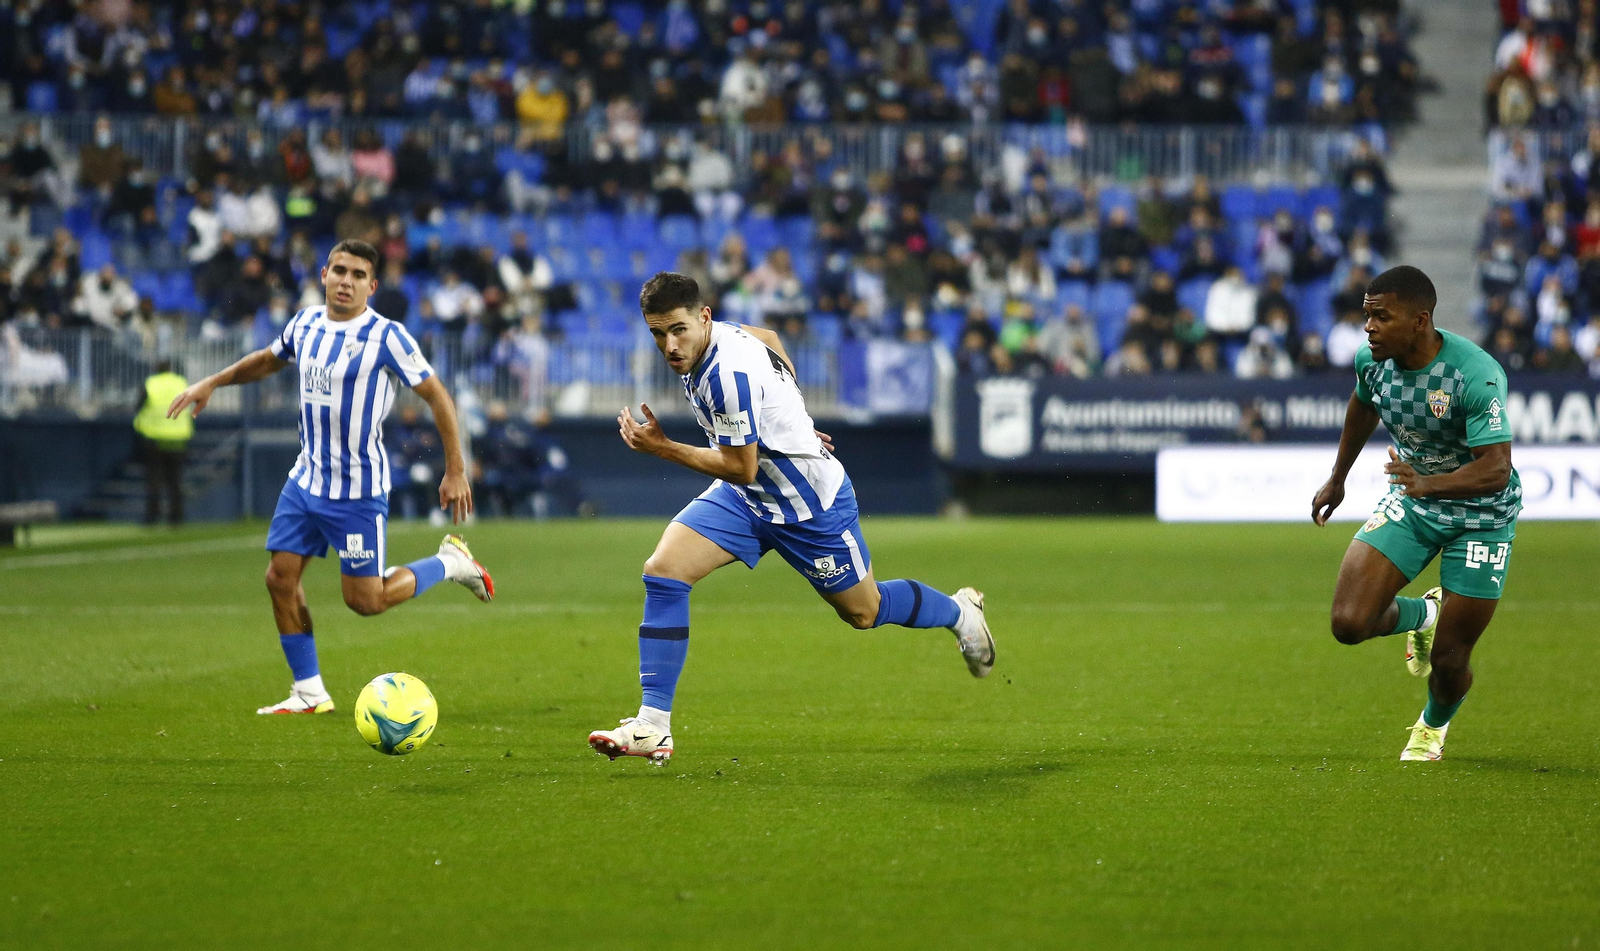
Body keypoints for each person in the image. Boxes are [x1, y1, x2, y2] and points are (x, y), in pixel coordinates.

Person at [588, 273, 998, 765]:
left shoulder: (726, 376)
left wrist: (662, 447)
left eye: (677, 330)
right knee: (664, 571)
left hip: (808, 509)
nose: (669, 346)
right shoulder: (727, 336)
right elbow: (772, 340)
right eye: (657, 333)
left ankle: (959, 613)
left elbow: (738, 464)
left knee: (863, 612)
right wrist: (792, 417)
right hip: (748, 498)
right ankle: (653, 725)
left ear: (703, 318)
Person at [165, 240, 497, 716]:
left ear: (372, 285)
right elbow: (267, 359)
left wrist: (456, 468)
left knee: (365, 602)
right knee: (280, 579)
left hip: (357, 491)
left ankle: (450, 563)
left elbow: (438, 397)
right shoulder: (304, 323)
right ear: (324, 274)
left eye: (358, 275)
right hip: (306, 480)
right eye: (339, 270)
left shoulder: (388, 337)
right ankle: (308, 692)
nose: (346, 280)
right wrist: (212, 381)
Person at [1311, 266, 1521, 762]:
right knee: (1348, 623)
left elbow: (1496, 468)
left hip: (1482, 515)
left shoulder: (1475, 374)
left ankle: (1431, 727)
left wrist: (1429, 483)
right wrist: (1338, 476)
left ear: (1420, 320)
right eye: (1367, 316)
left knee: (1450, 661)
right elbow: (1363, 405)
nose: (1369, 327)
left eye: (1381, 316)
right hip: (1414, 500)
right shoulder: (1373, 361)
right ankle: (1425, 613)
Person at [133, 361, 193, 526]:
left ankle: (152, 516)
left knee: (154, 480)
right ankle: (177, 517)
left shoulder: (150, 384)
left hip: (155, 439)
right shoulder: (181, 382)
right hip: (178, 438)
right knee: (175, 481)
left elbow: (138, 407)